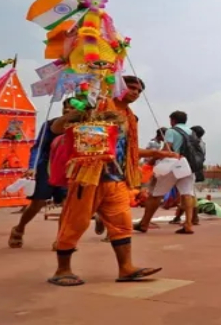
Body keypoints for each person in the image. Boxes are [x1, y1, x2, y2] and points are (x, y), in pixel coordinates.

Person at [49, 76, 176, 286]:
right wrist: (78, 112)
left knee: (122, 224)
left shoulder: (130, 118)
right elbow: (56, 128)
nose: (135, 92)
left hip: (115, 177)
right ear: (117, 86)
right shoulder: (95, 105)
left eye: (139, 90)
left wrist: (157, 153)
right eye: (131, 87)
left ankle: (126, 268)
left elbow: (129, 149)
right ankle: (62, 269)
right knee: (75, 223)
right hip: (88, 176)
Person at [9, 98, 81, 248]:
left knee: (68, 204)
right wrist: (32, 166)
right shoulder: (49, 125)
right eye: (66, 107)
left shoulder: (82, 127)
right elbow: (38, 147)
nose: (68, 110)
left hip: (69, 169)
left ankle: (61, 239)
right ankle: (19, 228)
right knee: (37, 204)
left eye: (72, 108)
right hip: (47, 167)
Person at [136, 111, 198, 235]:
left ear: (173, 120)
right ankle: (188, 224)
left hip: (172, 164)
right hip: (188, 165)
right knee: (187, 194)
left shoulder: (171, 131)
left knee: (156, 194)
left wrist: (153, 160)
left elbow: (166, 149)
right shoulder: (192, 133)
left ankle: (144, 223)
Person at [170, 125, 205, 225]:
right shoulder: (201, 144)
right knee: (188, 193)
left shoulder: (193, 143)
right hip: (196, 168)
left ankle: (191, 218)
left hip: (188, 168)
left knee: (187, 194)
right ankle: (188, 218)